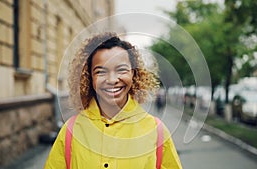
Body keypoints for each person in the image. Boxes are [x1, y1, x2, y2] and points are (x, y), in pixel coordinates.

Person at [44, 32, 182, 169]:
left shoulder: (156, 131)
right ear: (89, 77)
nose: (112, 80)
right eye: (101, 72)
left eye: (121, 70)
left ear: (133, 73)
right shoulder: (70, 131)